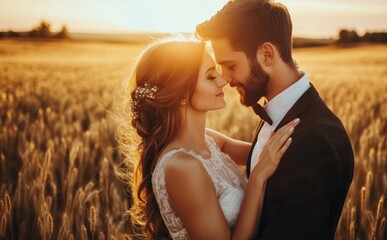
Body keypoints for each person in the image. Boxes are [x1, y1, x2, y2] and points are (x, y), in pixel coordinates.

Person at [196, 0, 354, 239]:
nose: (225, 79)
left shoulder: (314, 142)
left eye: (230, 65)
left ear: (267, 54)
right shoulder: (281, 111)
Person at [118, 36, 300, 239]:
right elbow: (263, 163)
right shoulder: (182, 167)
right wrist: (257, 178)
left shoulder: (210, 141)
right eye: (210, 76)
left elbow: (269, 153)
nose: (223, 80)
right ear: (182, 96)